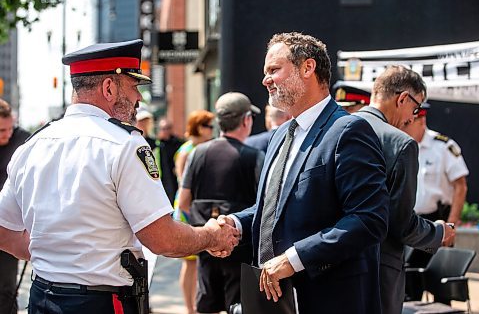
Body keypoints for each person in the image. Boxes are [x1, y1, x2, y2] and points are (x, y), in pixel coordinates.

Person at [0, 39, 239, 314]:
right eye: (134, 86)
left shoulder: (32, 146)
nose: (139, 98)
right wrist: (209, 236)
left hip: (43, 297)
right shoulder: (125, 145)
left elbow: (4, 230)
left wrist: (56, 257)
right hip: (101, 303)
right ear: (109, 87)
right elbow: (163, 240)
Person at [215, 32, 390, 313]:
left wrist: (294, 258)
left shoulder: (348, 131)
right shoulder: (280, 135)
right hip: (275, 300)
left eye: (274, 70)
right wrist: (234, 225)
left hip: (330, 299)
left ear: (308, 67)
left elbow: (369, 219)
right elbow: (272, 209)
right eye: (265, 72)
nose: (265, 80)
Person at [354, 65, 455, 314]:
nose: (412, 118)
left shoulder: (334, 129)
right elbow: (400, 224)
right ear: (402, 99)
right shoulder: (401, 143)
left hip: (330, 269)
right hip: (378, 273)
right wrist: (438, 232)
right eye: (415, 108)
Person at [178, 92, 264, 313]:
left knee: (207, 305)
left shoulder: (198, 153)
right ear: (246, 120)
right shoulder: (255, 156)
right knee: (239, 307)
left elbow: (184, 201)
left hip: (206, 245)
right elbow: (265, 204)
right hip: (241, 249)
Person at [172, 109, 215, 314]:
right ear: (198, 126)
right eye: (208, 125)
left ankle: (195, 306)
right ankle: (190, 309)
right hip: (187, 209)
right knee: (190, 264)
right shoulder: (187, 150)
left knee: (198, 263)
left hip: (199, 208)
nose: (211, 130)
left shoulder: (203, 147)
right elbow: (184, 185)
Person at [402, 103, 469, 225]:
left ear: (422, 121)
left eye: (407, 124)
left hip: (436, 220)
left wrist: (452, 223)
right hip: (408, 221)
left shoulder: (443, 147)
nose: (403, 128)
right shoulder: (402, 147)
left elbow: (460, 186)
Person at [0, 98, 30, 314]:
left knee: (6, 287)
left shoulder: (23, 140)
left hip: (9, 223)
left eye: (10, 128)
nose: (7, 134)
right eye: (1, 130)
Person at [156, 117, 185, 203]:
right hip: (162, 180)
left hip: (175, 179)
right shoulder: (157, 145)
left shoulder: (179, 143)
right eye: (163, 129)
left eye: (168, 128)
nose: (166, 131)